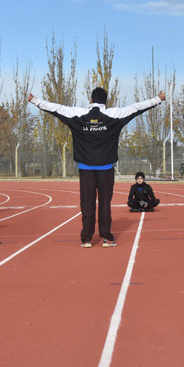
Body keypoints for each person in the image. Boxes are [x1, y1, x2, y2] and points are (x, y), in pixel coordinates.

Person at [28, 87, 166, 248]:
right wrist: (157, 99)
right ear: (105, 101)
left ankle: (86, 239)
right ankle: (107, 238)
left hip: (85, 168)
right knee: (104, 203)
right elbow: (136, 108)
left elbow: (56, 108)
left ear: (91, 100)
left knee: (87, 203)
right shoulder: (115, 114)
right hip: (106, 168)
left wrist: (35, 100)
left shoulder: (77, 114)